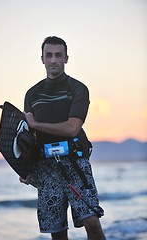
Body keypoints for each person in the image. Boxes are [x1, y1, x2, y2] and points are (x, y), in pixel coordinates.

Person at [19, 36, 106, 240]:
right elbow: (27, 137)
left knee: (92, 222)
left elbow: (72, 128)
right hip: (45, 168)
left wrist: (36, 124)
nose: (53, 60)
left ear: (66, 58)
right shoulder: (32, 94)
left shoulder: (78, 89)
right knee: (57, 233)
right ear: (42, 59)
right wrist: (23, 168)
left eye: (58, 55)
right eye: (48, 55)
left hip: (76, 163)